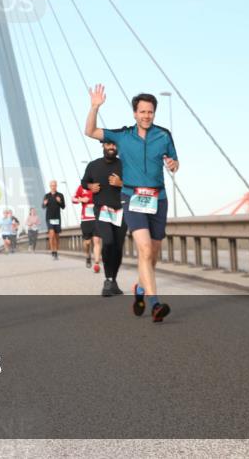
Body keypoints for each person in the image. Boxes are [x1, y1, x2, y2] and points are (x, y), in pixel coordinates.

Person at [86, 85, 179, 322]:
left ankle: (140, 288)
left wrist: (173, 165)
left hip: (158, 199)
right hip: (133, 198)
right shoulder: (122, 136)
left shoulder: (164, 135)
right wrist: (95, 106)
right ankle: (154, 304)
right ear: (135, 114)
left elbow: (175, 162)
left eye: (150, 112)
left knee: (153, 254)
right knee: (145, 249)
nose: (146, 116)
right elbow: (90, 131)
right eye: (142, 112)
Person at [81, 141, 128, 297]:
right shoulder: (93, 165)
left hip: (121, 210)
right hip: (102, 209)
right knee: (107, 241)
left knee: (118, 247)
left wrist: (121, 183)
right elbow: (84, 181)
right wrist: (90, 186)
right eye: (108, 144)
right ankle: (107, 280)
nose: (111, 147)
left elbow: (135, 184)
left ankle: (113, 280)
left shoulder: (124, 165)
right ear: (103, 146)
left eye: (114, 145)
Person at [73, 183, 97, 270]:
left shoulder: (97, 185)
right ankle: (88, 255)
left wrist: (90, 199)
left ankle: (97, 261)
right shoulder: (81, 187)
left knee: (97, 240)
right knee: (87, 242)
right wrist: (81, 199)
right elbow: (73, 199)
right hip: (86, 219)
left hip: (96, 218)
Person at [42, 180, 66, 260]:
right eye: (52, 185)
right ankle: (53, 251)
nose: (53, 187)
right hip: (49, 218)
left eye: (54, 185)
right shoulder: (47, 196)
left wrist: (60, 201)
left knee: (56, 236)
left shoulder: (60, 195)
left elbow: (63, 206)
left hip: (57, 218)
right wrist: (44, 204)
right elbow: (43, 206)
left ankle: (56, 251)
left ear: (56, 186)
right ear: (50, 186)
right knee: (51, 234)